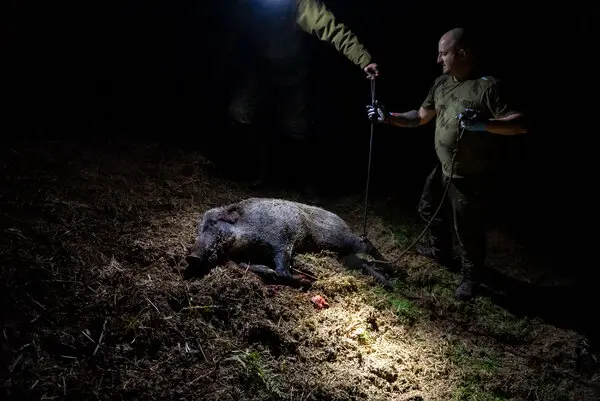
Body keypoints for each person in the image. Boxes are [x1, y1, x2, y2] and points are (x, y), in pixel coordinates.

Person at [367, 27, 528, 301]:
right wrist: (389, 117)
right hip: (444, 167)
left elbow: (520, 123)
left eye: (443, 54)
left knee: (467, 228)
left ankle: (471, 277)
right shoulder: (441, 83)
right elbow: (420, 116)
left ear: (462, 53)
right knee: (428, 207)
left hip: (470, 174)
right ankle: (440, 252)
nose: (438, 60)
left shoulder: (487, 87)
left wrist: (483, 125)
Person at [222, 0, 379, 192]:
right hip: (258, 72)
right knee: (239, 112)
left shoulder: (301, 4)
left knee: (296, 128)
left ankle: (303, 181)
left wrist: (363, 60)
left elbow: (332, 28)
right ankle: (257, 172)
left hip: (290, 75)